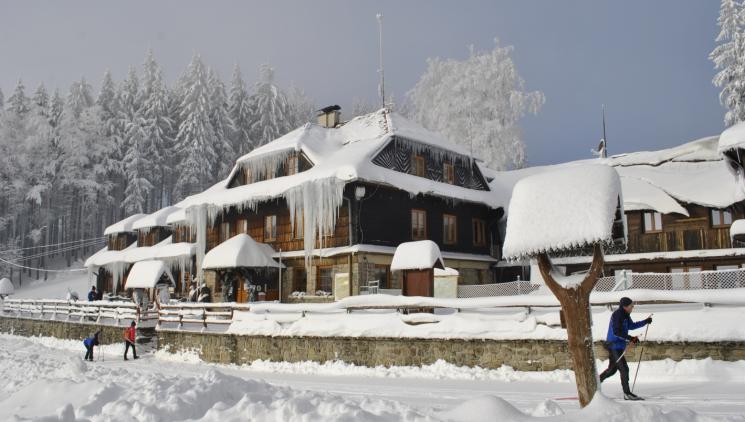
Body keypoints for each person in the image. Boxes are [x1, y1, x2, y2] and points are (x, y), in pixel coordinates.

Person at [599, 297, 652, 400]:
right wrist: (630, 338)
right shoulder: (617, 315)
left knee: (612, 370)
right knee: (624, 369)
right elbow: (616, 332)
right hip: (614, 345)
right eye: (631, 306)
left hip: (619, 346)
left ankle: (594, 383)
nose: (633, 307)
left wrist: (645, 321)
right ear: (625, 306)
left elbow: (631, 326)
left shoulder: (625, 315)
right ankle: (627, 394)